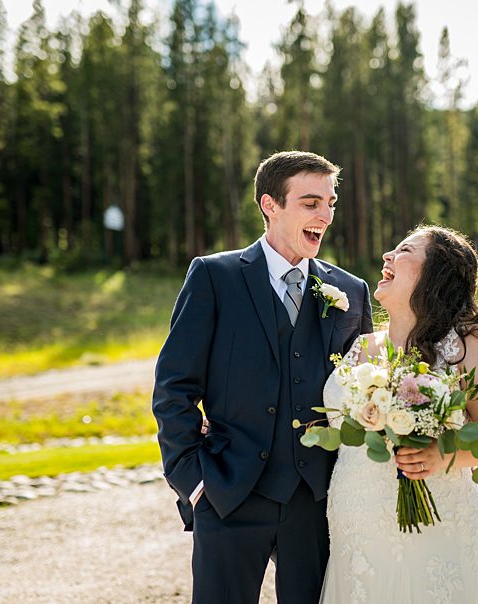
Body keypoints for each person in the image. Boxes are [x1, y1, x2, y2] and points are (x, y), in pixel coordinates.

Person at [153, 151, 372, 603]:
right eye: (311, 203)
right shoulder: (215, 277)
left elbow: (364, 393)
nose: (325, 215)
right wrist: (193, 482)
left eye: (330, 203)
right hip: (229, 493)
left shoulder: (350, 291)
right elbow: (174, 387)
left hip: (316, 503)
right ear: (270, 205)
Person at [318, 225, 478, 603]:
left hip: (435, 525)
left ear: (435, 274)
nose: (387, 257)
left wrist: (443, 455)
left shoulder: (469, 345)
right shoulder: (362, 348)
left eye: (404, 250)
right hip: (356, 528)